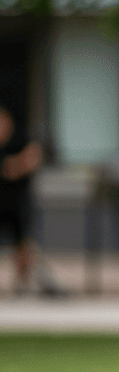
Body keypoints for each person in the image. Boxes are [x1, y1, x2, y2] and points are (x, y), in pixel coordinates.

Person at [0, 105, 42, 295]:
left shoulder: (20, 138)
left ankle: (23, 284)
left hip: (18, 202)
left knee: (22, 243)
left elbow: (34, 157)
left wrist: (16, 166)